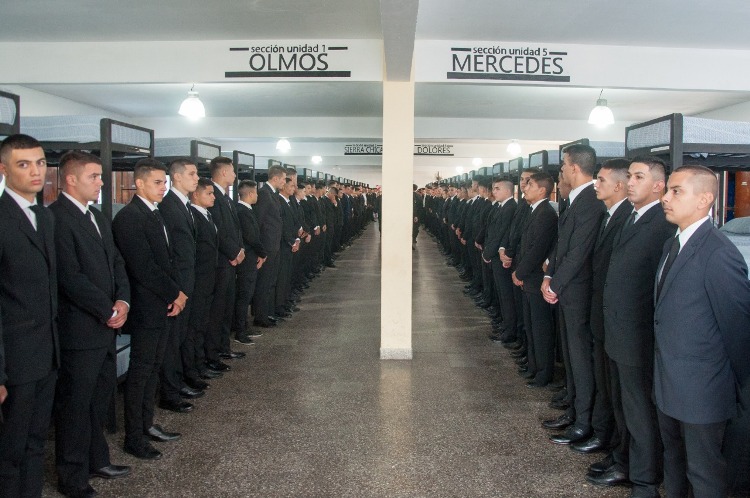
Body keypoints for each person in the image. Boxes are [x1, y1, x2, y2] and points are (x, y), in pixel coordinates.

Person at [654, 165, 750, 498]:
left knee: (704, 474)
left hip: (703, 392)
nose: (665, 198)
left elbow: (738, 330)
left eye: (676, 191)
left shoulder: (718, 253)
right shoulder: (673, 244)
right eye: (668, 189)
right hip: (669, 383)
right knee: (675, 464)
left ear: (704, 199)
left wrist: (732, 389)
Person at [50, 151, 132, 497]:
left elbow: (116, 262)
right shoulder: (56, 218)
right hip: (80, 330)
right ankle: (72, 476)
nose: (101, 182)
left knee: (98, 399)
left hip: (106, 324)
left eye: (101, 176)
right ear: (71, 179)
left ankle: (97, 459)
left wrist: (123, 301)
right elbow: (70, 276)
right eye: (94, 177)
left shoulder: (96, 216)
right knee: (75, 405)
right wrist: (106, 309)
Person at [592, 157, 675, 495]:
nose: (630, 182)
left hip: (637, 334)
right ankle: (623, 459)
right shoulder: (633, 216)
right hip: (619, 330)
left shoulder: (662, 223)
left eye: (638, 177)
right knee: (624, 405)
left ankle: (643, 477)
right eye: (629, 176)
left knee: (639, 411)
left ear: (658, 186)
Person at [113, 158, 187, 461]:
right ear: (139, 183)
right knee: (141, 371)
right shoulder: (129, 218)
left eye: (164, 182)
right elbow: (143, 267)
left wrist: (176, 294)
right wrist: (174, 293)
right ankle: (134, 437)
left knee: (154, 367)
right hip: (146, 307)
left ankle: (147, 424)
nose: (163, 187)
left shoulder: (155, 213)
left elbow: (167, 260)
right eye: (157, 182)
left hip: (162, 304)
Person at [0, 134, 59, 498]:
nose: (36, 171)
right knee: (11, 448)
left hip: (46, 351)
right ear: (3, 170)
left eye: (40, 163)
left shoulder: (44, 216)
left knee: (36, 440)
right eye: (24, 164)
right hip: (16, 357)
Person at [543, 144, 606, 445]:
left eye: (564, 165)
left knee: (581, 358)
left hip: (578, 293)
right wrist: (549, 276)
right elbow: (562, 244)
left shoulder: (591, 201)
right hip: (567, 290)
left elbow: (578, 252)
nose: (562, 170)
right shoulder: (575, 199)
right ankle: (573, 409)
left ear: (574, 167)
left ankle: (584, 420)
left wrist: (555, 284)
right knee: (570, 354)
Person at [581, 159, 632, 470]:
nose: (595, 184)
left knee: (622, 395)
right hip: (603, 316)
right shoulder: (609, 214)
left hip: (619, 323)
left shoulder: (628, 217)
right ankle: (606, 439)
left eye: (600, 180)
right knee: (607, 385)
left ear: (618, 185)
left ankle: (621, 454)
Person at [158, 158, 201, 414]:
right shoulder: (169, 207)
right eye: (192, 174)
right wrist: (177, 291)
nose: (196, 178)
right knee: (172, 342)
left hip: (187, 282)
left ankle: (179, 382)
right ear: (176, 177)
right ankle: (170, 393)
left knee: (182, 337)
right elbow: (170, 254)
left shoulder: (183, 205)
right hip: (177, 287)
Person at [512, 172, 558, 388]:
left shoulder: (546, 213)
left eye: (530, 185)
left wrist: (519, 272)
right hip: (528, 279)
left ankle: (543, 372)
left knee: (540, 329)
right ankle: (533, 366)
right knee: (530, 326)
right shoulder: (534, 210)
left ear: (542, 190)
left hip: (536, 279)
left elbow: (537, 249)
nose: (525, 187)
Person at [206, 156, 245, 372]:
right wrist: (233, 252)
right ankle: (212, 353)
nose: (235, 175)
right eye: (232, 171)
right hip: (221, 261)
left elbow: (234, 228)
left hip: (231, 260)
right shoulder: (212, 195)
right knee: (217, 309)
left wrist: (240, 250)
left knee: (226, 307)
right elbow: (217, 230)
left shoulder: (225, 197)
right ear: (222, 172)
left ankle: (223, 346)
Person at [186, 179, 221, 386]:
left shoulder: (207, 215)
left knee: (202, 324)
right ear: (196, 195)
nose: (213, 197)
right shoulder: (194, 216)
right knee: (194, 326)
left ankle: (201, 363)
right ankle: (194, 368)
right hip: (198, 280)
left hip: (209, 278)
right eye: (209, 193)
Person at [481, 179, 517, 343]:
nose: (494, 191)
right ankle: (505, 324)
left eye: (497, 188)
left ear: (508, 191)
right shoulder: (502, 206)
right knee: (501, 293)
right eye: (493, 188)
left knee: (506, 295)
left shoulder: (510, 208)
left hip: (500, 257)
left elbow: (501, 233)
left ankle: (509, 330)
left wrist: (488, 253)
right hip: (495, 255)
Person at [233, 180, 266, 345]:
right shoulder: (242, 211)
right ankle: (240, 331)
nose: (257, 196)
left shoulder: (247, 210)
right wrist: (263, 253)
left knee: (247, 295)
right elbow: (251, 236)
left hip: (251, 258)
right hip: (246, 260)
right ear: (251, 193)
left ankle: (244, 326)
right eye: (256, 193)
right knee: (244, 295)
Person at [253, 165, 285, 328]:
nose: (284, 182)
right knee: (264, 282)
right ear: (275, 178)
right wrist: (260, 250)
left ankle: (267, 312)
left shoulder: (273, 194)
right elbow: (258, 221)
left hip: (274, 245)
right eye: (283, 179)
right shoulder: (264, 194)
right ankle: (260, 316)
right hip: (267, 246)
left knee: (271, 280)